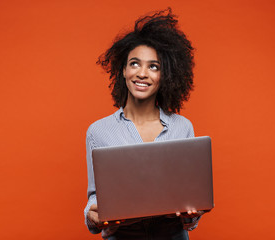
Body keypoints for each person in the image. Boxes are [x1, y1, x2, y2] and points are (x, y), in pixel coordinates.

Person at [84, 8, 209, 239]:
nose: (142, 73)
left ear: (166, 76)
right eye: (134, 64)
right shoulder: (98, 131)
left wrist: (191, 215)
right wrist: (93, 216)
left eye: (154, 66)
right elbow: (95, 196)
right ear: (123, 69)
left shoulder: (182, 127)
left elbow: (189, 198)